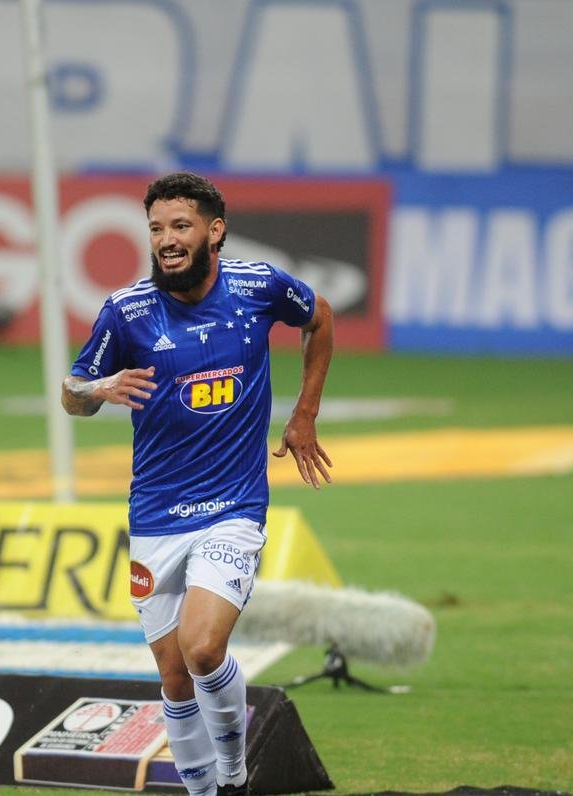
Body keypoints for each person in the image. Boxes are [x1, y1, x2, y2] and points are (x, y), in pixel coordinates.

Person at [62, 172, 333, 796]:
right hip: (156, 515)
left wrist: (304, 413)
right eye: (156, 228)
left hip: (232, 508)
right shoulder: (125, 311)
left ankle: (234, 776)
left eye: (180, 226)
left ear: (215, 231)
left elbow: (318, 317)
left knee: (203, 650)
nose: (166, 240)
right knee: (173, 675)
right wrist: (98, 390)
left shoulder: (258, 287)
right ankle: (201, 790)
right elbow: (72, 393)